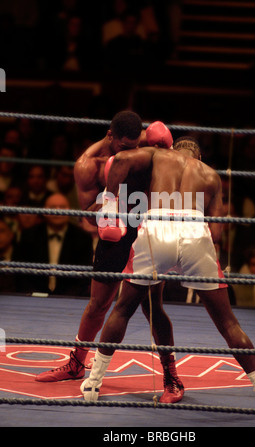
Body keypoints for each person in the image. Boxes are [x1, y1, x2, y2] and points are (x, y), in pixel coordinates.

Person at [81, 136, 255, 419]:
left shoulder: (159, 156)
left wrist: (109, 202)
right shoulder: (210, 175)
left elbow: (119, 160)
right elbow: (216, 234)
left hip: (157, 227)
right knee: (228, 323)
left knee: (123, 308)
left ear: (174, 150)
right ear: (199, 155)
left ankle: (93, 385)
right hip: (195, 231)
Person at [35, 112, 183, 404]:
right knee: (98, 304)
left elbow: (177, 165)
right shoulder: (90, 165)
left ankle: (171, 375)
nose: (128, 153)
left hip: (147, 232)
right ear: (111, 137)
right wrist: (108, 207)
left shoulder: (149, 143)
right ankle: (77, 363)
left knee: (153, 308)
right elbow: (88, 215)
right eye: (122, 147)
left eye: (133, 146)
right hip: (114, 233)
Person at [15, 193, 93, 297]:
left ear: (69, 210)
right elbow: (20, 274)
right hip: (33, 298)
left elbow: (84, 277)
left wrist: (66, 298)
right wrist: (34, 295)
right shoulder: (29, 235)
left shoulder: (83, 238)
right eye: (52, 207)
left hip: (71, 300)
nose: (57, 211)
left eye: (62, 207)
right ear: (44, 211)